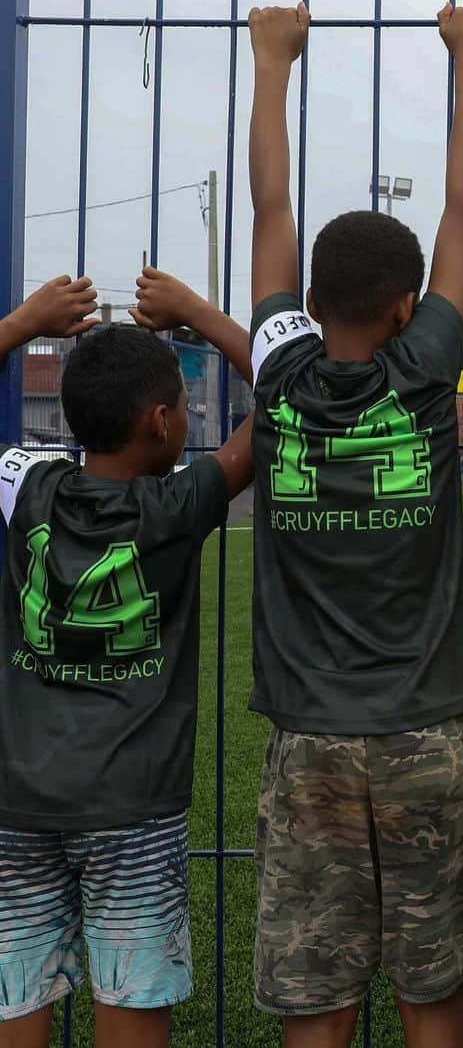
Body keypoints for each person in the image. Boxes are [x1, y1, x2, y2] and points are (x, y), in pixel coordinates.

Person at [245, 1, 463, 1048]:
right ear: (408, 308)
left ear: (307, 299)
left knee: (319, 985)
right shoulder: (422, 368)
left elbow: (269, 204)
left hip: (307, 732)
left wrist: (272, 65)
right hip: (428, 727)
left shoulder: (280, 368)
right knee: (430, 986)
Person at [0, 271, 253, 1048]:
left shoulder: (24, 488)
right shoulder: (180, 506)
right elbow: (288, 394)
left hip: (21, 799)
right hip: (134, 807)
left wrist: (24, 321)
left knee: (18, 1001)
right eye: (182, 402)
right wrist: (196, 315)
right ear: (159, 421)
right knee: (132, 999)